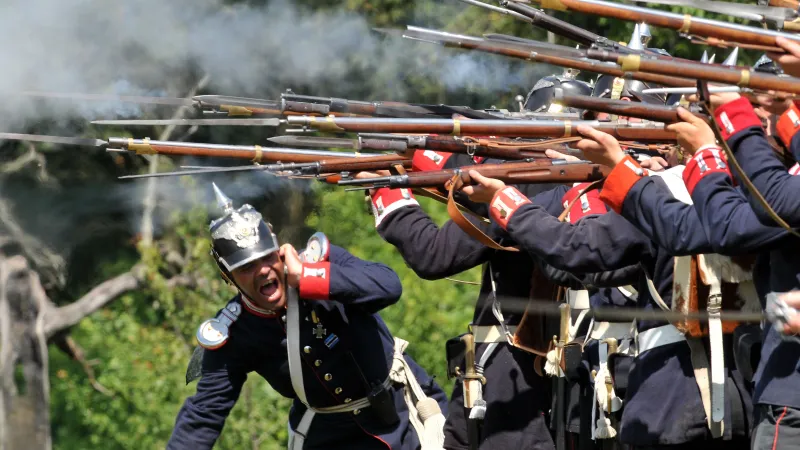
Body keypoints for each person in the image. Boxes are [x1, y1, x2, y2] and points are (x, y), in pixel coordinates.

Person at [167, 184, 448, 450]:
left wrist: (310, 279)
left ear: (279, 250)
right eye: (246, 267)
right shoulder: (235, 330)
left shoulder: (320, 263)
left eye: (267, 257)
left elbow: (388, 286)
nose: (263, 270)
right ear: (228, 276)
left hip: (406, 410)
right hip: (330, 438)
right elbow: (204, 414)